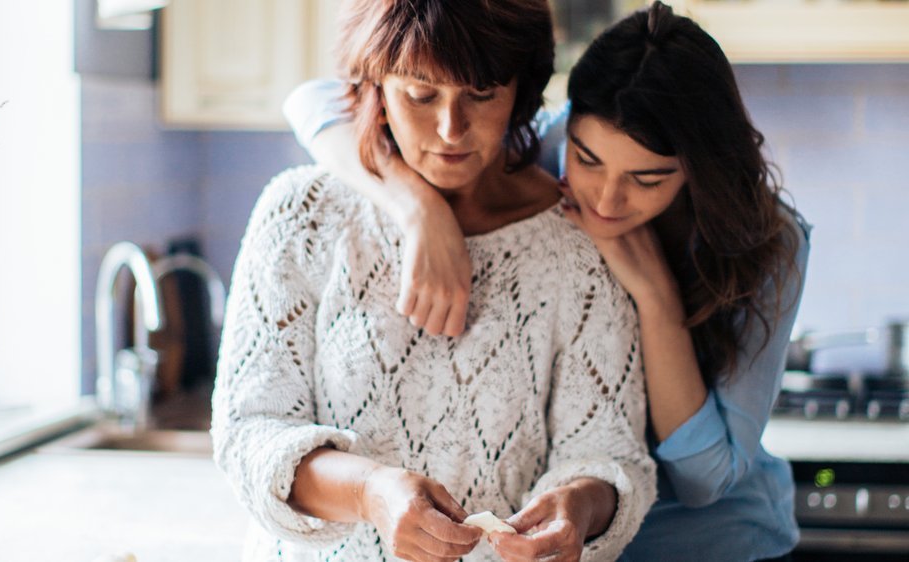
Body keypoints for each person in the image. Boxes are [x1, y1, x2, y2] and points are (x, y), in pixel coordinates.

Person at [282, 2, 810, 561]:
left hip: (709, 543)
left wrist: (654, 296)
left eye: (647, 178)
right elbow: (315, 100)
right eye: (588, 160)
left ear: (698, 169)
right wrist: (416, 207)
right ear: (567, 129)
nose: (605, 200)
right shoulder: (541, 150)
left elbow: (706, 480)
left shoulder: (770, 242)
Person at [212, 1, 657, 561]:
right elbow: (249, 434)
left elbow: (612, 455)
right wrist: (370, 492)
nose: (451, 129)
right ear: (375, 84)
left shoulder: (577, 243)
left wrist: (578, 507)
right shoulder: (302, 215)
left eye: (482, 94)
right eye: (421, 95)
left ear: (521, 90)